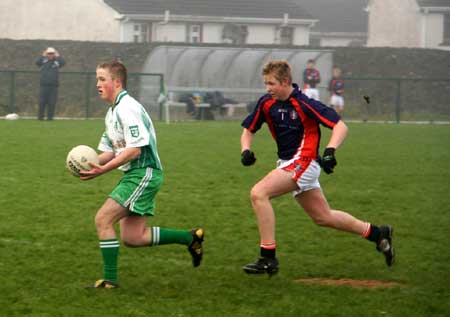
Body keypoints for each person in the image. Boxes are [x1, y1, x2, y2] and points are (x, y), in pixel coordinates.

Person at [240, 60, 394, 276]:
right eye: (266, 83)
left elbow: (340, 126)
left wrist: (330, 150)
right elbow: (249, 129)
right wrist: (245, 150)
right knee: (323, 217)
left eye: (271, 83)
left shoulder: (305, 103)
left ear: (285, 82)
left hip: (304, 162)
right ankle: (377, 233)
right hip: (288, 163)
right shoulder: (266, 103)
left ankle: (268, 258)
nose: (268, 88)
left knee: (259, 193)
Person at [80, 61, 204, 288]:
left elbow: (135, 149)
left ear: (116, 82)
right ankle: (190, 238)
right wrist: (90, 165)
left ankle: (110, 281)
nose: (97, 84)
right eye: (97, 79)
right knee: (133, 238)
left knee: (103, 219)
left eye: (102, 79)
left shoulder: (127, 108)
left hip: (143, 173)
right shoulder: (113, 111)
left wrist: (102, 170)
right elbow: (109, 150)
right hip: (135, 174)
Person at [35, 47, 65, 120]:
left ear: (54, 54)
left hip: (54, 86)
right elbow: (37, 62)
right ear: (46, 54)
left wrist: (58, 56)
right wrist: (43, 55)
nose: (50, 55)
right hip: (43, 85)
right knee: (42, 102)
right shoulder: (43, 61)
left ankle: (50, 118)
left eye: (52, 54)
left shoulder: (57, 62)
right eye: (49, 54)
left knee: (52, 103)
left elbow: (63, 63)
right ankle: (40, 117)